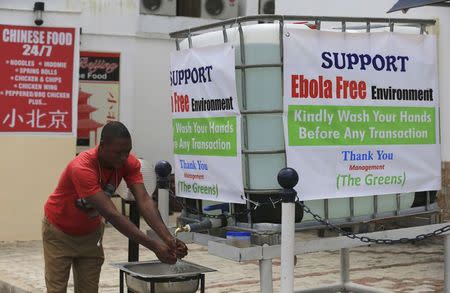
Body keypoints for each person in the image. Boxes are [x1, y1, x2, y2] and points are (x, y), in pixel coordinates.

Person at [42, 121, 187, 293]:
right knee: (56, 289)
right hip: (59, 233)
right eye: (118, 152)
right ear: (102, 146)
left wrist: (168, 239)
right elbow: (112, 214)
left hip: (90, 234)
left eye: (127, 151)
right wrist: (155, 246)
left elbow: (144, 200)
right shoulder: (82, 167)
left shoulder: (128, 163)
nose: (124, 157)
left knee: (89, 290)